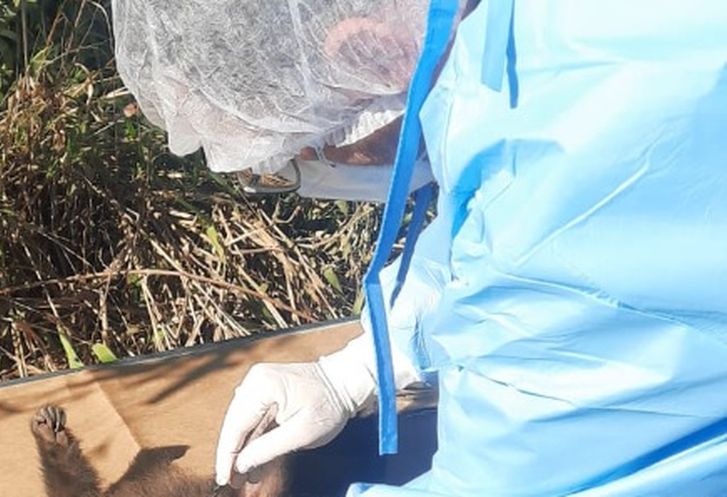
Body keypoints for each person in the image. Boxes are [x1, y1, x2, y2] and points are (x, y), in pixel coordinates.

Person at [114, 0, 727, 495]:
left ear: (369, 50)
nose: (324, 168)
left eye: (301, 152)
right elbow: (484, 229)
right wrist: (361, 368)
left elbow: (537, 458)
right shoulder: (528, 41)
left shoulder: (583, 152)